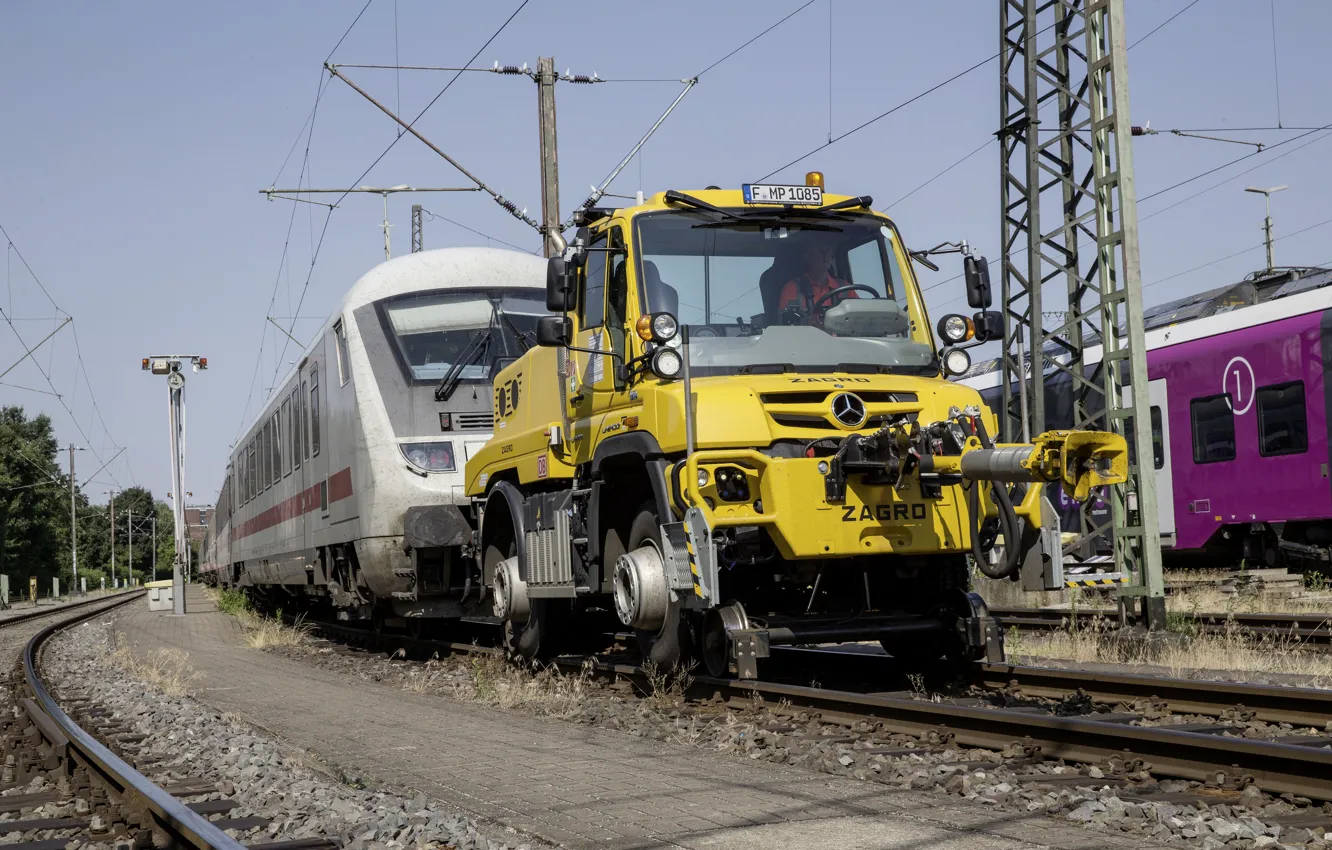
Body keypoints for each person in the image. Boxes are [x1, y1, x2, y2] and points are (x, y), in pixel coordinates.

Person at [775, 241, 856, 323]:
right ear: (807, 256)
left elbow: (861, 317)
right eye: (821, 250)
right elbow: (786, 327)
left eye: (828, 250)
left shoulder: (845, 289)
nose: (826, 255)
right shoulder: (792, 289)